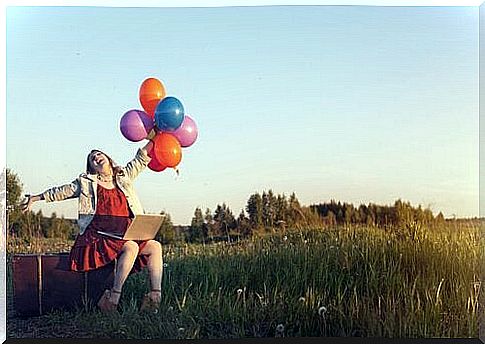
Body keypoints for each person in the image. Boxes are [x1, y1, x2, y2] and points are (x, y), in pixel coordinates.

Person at [20, 139, 163, 314]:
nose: (96, 158)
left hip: (124, 233)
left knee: (155, 246)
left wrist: (155, 137)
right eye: (92, 159)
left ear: (108, 159)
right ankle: (113, 297)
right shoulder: (86, 182)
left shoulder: (124, 176)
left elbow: (140, 159)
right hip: (99, 233)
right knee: (132, 247)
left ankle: (155, 296)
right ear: (92, 168)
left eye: (98, 154)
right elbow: (62, 191)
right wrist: (36, 198)